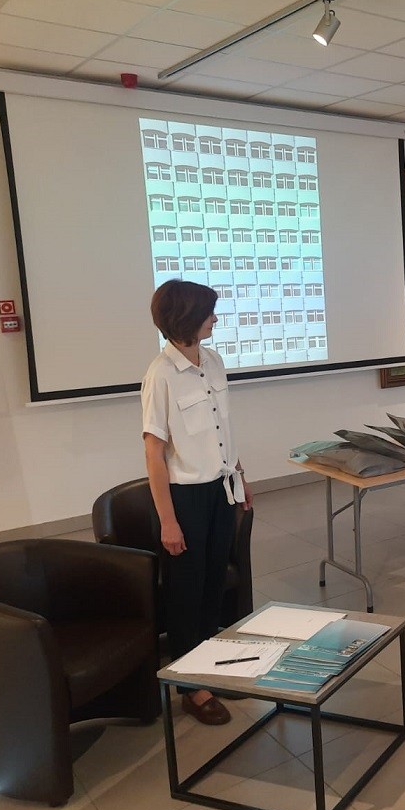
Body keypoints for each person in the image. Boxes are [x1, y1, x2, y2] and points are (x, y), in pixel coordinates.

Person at [142, 280, 253, 726]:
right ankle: (190, 686)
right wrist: (168, 521)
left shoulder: (213, 361)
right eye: (209, 312)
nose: (215, 319)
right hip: (185, 497)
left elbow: (222, 428)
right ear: (186, 317)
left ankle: (210, 663)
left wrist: (240, 476)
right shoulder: (161, 374)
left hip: (221, 489)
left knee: (213, 582)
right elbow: (154, 453)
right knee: (186, 591)